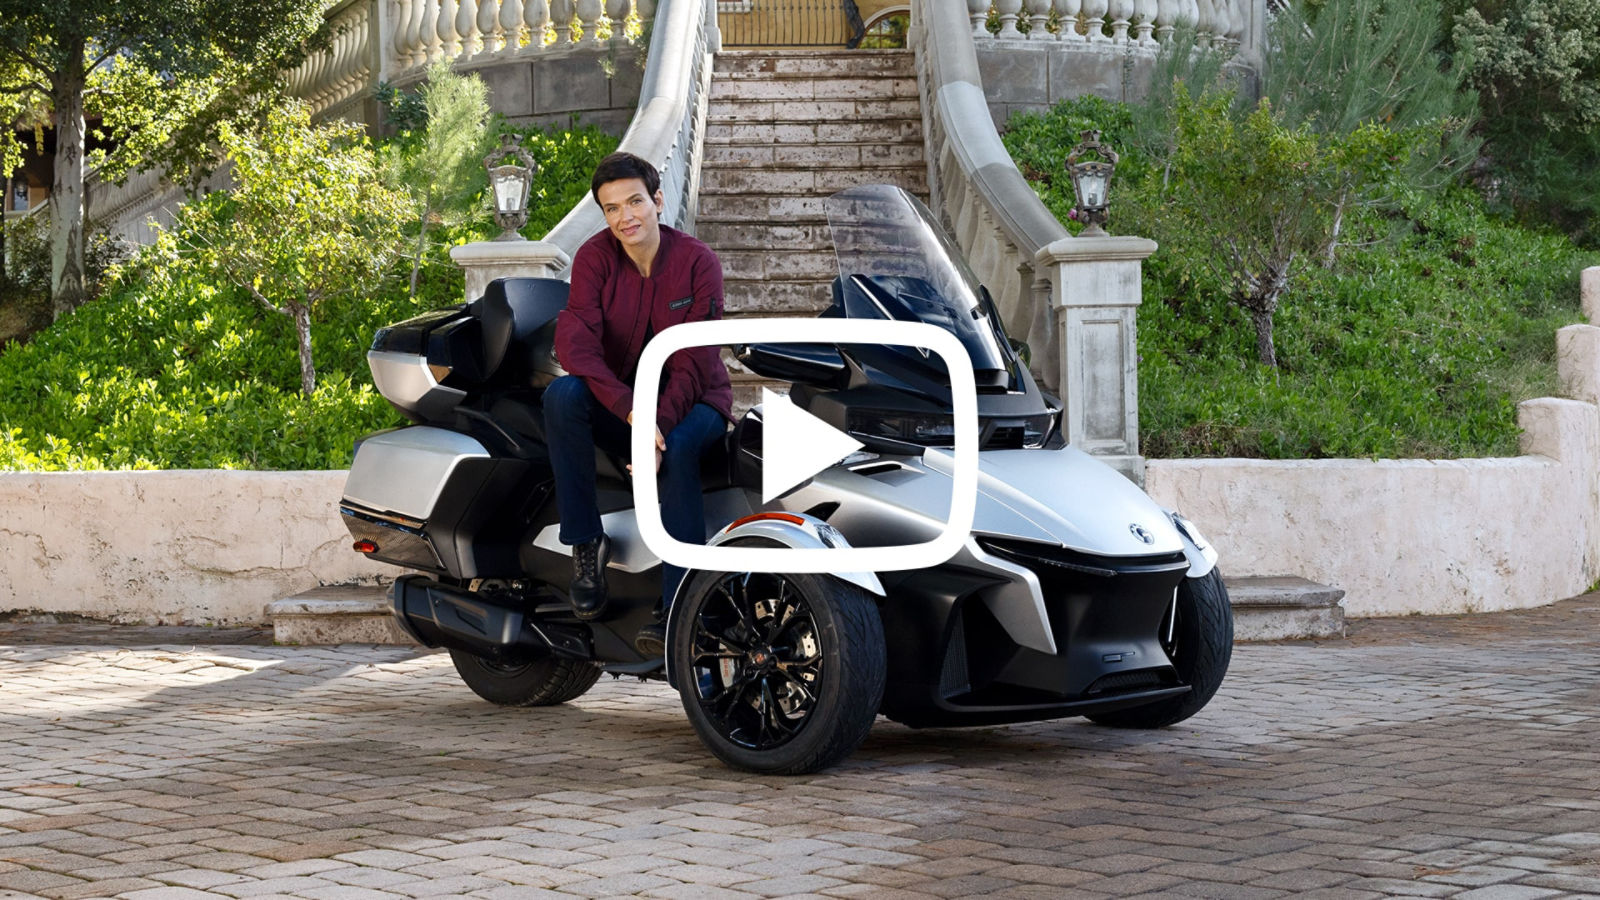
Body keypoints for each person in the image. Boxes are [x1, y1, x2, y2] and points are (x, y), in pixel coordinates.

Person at [544, 151, 732, 657]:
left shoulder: (698, 263)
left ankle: (679, 607)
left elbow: (695, 360)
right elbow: (576, 346)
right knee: (562, 395)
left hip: (696, 400)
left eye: (634, 202)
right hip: (625, 404)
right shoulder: (594, 258)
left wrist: (658, 426)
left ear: (658, 200)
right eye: (611, 208)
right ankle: (586, 545)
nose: (625, 217)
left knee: (678, 452)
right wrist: (634, 416)